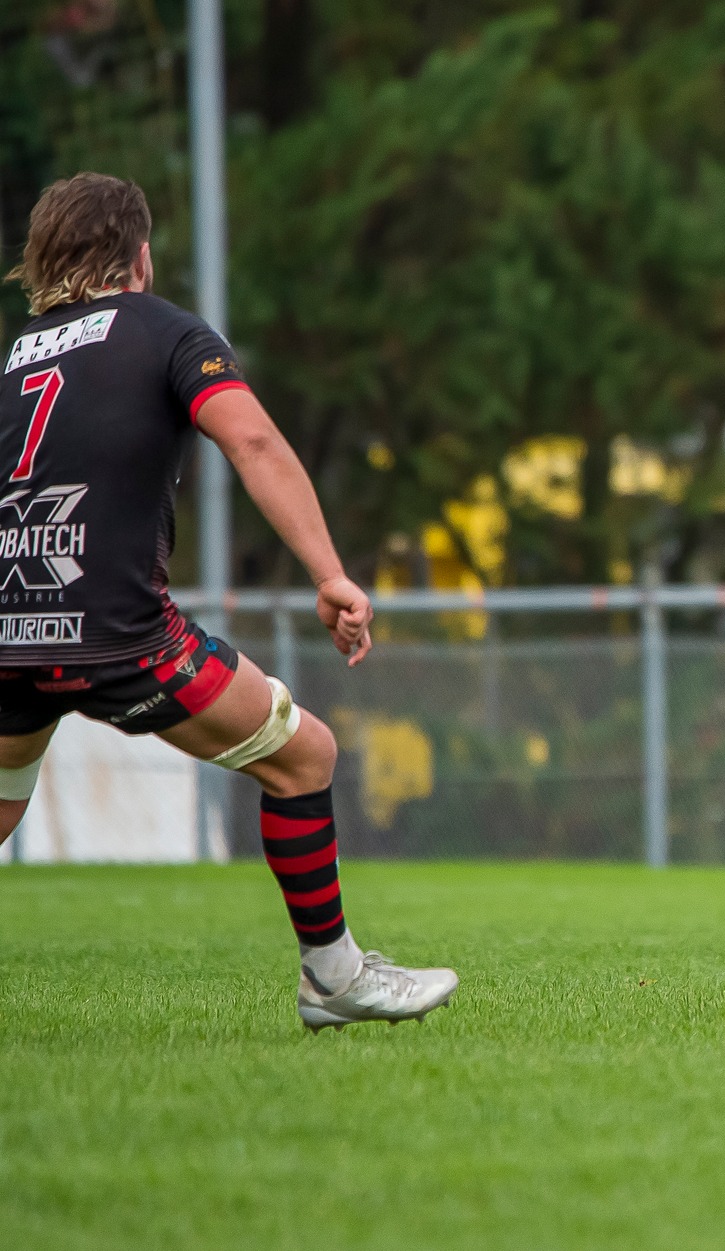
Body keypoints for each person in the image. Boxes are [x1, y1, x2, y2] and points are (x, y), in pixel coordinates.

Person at [0, 173, 456, 1031]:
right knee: (305, 755)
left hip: (10, 632)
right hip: (117, 633)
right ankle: (333, 977)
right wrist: (330, 573)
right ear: (138, 258)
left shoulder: (18, 355)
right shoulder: (164, 329)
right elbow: (249, 435)